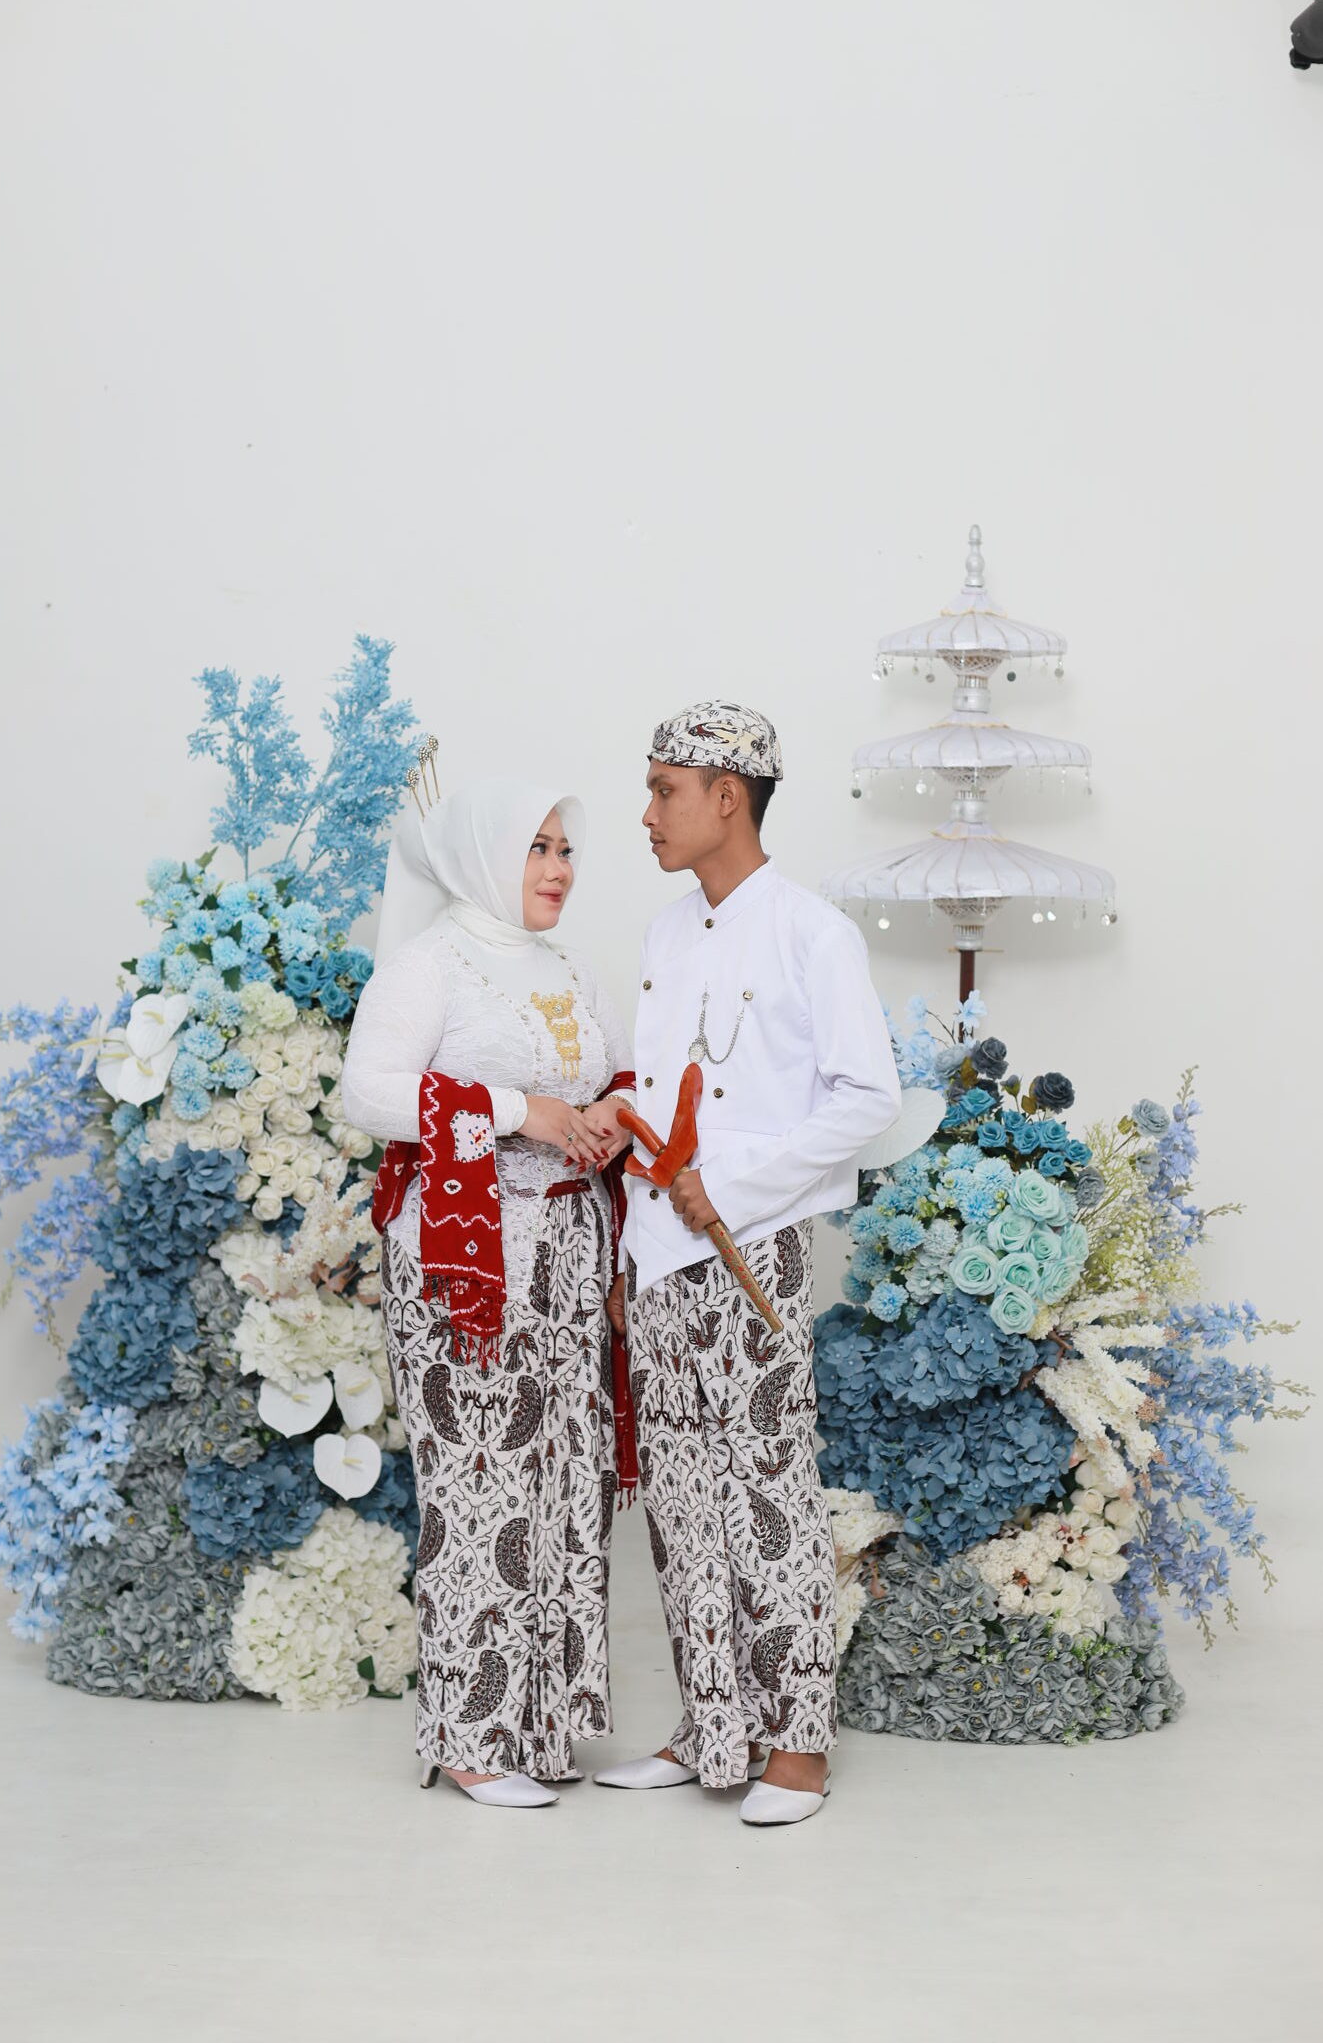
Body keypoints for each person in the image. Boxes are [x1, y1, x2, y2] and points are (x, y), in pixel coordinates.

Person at [593, 701, 901, 1826]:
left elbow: (868, 1097)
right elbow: (653, 1102)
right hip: (661, 1251)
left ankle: (798, 1746)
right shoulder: (665, 935)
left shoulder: (815, 933)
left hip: (751, 1250)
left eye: (664, 789)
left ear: (729, 797)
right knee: (680, 1502)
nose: (647, 812)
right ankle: (710, 1728)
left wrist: (733, 1187)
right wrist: (630, 1250)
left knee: (767, 1493)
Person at [341, 772, 635, 1809]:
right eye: (536, 849)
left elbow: (618, 1077)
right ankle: (470, 1734)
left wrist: (609, 1116)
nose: (558, 870)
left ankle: (540, 1726)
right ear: (481, 856)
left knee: (564, 1481)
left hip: (570, 1254)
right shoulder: (431, 964)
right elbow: (367, 1091)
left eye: (565, 850)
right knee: (479, 1483)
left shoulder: (569, 966)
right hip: (466, 1263)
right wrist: (521, 1110)